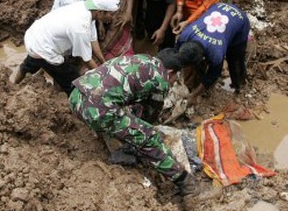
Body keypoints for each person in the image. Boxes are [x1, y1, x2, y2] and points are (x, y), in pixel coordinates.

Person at [67, 49, 201, 196]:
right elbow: (151, 115)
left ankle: (124, 144)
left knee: (129, 117)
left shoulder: (140, 58)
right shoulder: (161, 79)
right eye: (176, 76)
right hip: (97, 111)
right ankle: (185, 182)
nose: (174, 80)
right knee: (149, 137)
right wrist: (142, 133)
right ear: (170, 71)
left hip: (76, 96)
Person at [15, 0, 120, 94]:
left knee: (32, 62)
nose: (113, 17)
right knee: (74, 81)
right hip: (44, 46)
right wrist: (104, 77)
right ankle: (74, 103)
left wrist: (103, 63)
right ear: (101, 12)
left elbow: (93, 39)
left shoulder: (88, 8)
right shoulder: (81, 26)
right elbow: (86, 59)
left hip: (37, 36)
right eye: (111, 14)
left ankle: (15, 82)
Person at [176, 3, 251, 102]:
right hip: (219, 7)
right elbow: (176, 56)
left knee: (235, 60)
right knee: (192, 66)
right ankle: (196, 80)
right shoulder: (184, 36)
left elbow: (213, 74)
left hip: (240, 21)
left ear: (203, 58)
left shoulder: (216, 52)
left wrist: (194, 95)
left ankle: (239, 86)